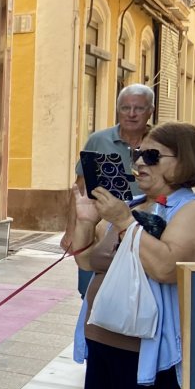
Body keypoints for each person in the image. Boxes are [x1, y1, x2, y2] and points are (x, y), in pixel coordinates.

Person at [71, 122, 195, 389]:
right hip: (103, 339)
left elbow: (167, 268)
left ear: (185, 161)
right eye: (138, 154)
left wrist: (123, 222)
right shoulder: (134, 204)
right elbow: (87, 260)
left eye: (153, 156)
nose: (140, 162)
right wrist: (85, 221)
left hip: (151, 354)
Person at [62, 84, 152, 296]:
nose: (131, 114)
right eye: (125, 108)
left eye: (138, 108)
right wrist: (71, 231)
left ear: (150, 111)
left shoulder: (160, 142)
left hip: (144, 230)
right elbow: (80, 188)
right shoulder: (99, 140)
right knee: (91, 290)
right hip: (99, 229)